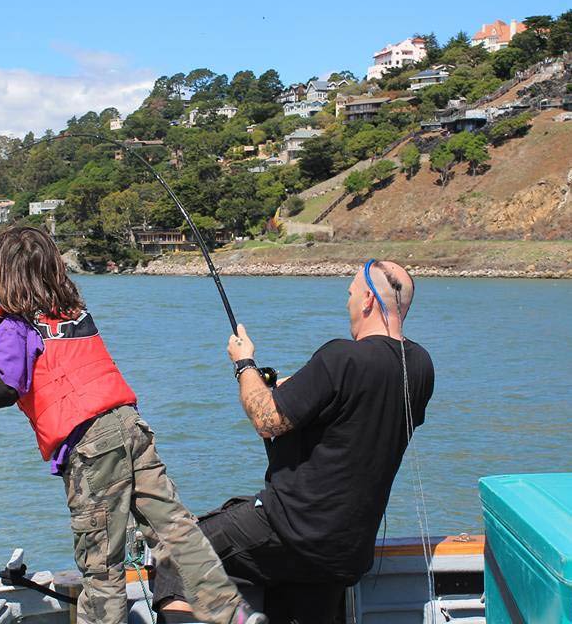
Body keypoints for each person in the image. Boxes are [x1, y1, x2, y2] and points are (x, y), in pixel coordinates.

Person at [0, 226, 266, 624]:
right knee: (175, 530)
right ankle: (230, 612)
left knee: (102, 566)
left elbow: (1, 388)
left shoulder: (15, 323)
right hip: (131, 427)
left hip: (91, 447)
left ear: (2, 274)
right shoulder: (75, 312)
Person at [153, 260, 435, 623]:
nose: (348, 303)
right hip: (346, 550)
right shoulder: (420, 366)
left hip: (292, 530)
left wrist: (244, 364)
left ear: (367, 300)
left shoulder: (342, 357)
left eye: (350, 295)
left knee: (176, 554)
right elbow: (354, 412)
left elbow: (266, 419)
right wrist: (288, 387)